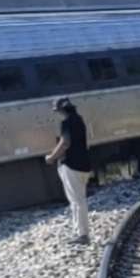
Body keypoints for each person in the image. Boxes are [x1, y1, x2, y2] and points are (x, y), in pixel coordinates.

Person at [44, 96, 92, 244]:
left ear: (61, 110)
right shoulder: (80, 119)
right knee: (78, 200)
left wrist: (51, 157)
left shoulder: (66, 123)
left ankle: (83, 235)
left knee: (77, 201)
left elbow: (65, 143)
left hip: (71, 166)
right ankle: (80, 232)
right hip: (84, 165)